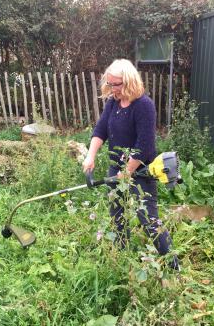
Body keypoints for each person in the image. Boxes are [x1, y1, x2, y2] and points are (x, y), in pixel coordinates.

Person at [82, 59, 180, 270]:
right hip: (115, 168)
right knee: (117, 216)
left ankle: (173, 265)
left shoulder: (144, 105)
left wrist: (127, 173)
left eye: (116, 84)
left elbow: (143, 146)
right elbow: (101, 130)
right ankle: (122, 259)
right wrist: (90, 155)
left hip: (141, 171)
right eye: (109, 84)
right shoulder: (112, 102)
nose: (111, 89)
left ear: (128, 81)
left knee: (148, 220)